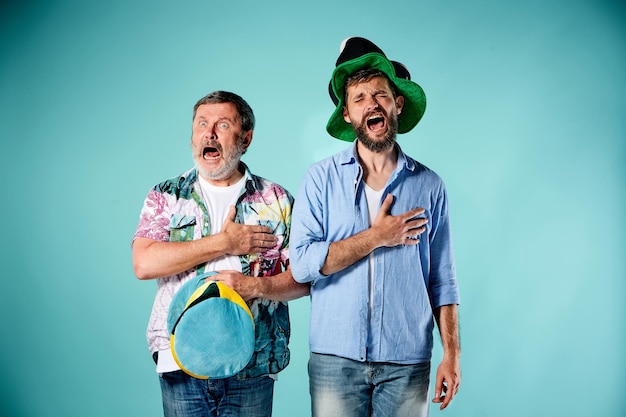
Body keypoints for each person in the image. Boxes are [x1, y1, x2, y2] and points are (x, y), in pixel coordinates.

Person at [290, 37, 461, 417]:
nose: (372, 104)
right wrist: (377, 237)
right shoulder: (320, 180)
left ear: (397, 104)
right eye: (359, 98)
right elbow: (301, 266)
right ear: (348, 116)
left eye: (381, 95)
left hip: (407, 362)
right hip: (335, 359)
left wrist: (452, 353)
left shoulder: (430, 186)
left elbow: (443, 280)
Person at [132, 90, 309, 417]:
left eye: (223, 125)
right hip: (179, 360)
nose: (209, 133)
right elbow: (144, 263)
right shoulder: (168, 195)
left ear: (246, 138)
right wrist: (223, 243)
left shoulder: (277, 200)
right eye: (202, 124)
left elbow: (304, 279)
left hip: (253, 362)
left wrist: (256, 287)